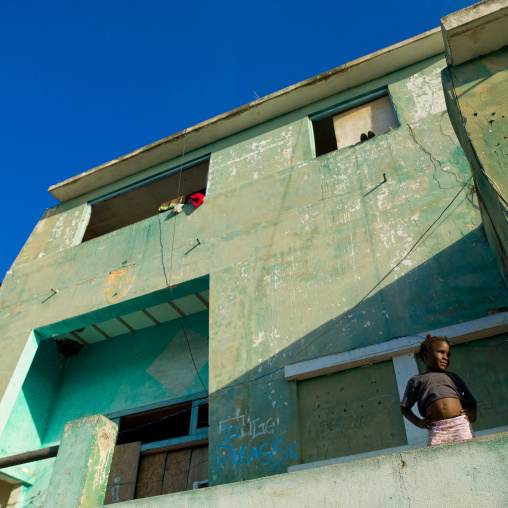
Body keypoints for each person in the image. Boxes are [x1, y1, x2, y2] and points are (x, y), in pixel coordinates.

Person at [400, 334, 477, 446]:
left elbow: (471, 402)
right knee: (437, 459)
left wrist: (472, 415)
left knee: (467, 452)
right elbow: (404, 408)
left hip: (460, 425)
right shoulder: (416, 380)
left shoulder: (453, 377)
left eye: (448, 354)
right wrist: (418, 422)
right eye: (441, 352)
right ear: (425, 355)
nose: (446, 357)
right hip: (437, 428)